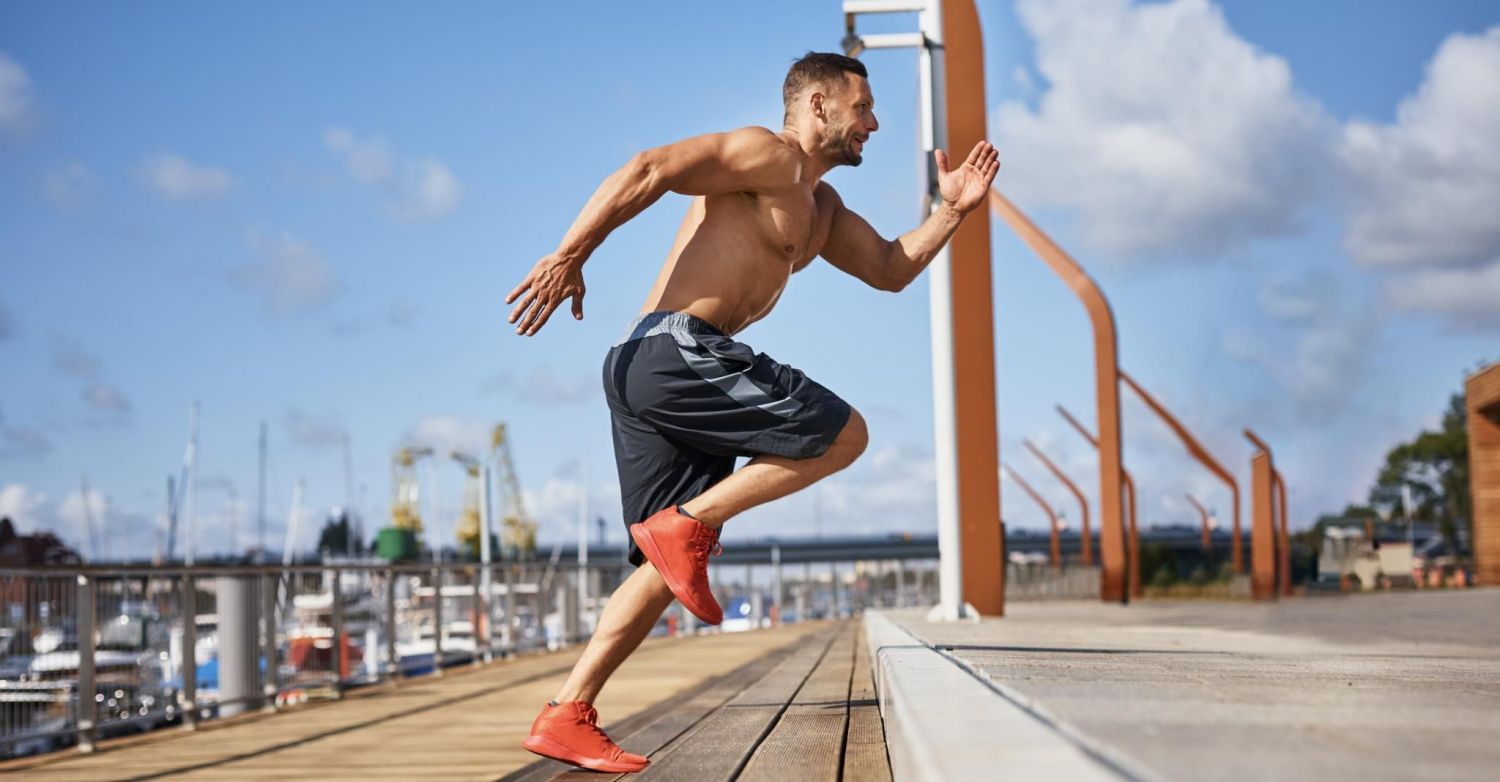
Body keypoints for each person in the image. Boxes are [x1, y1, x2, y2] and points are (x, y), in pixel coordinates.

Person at [505, 51, 998, 773]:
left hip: (659, 373)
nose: (875, 123)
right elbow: (650, 168)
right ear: (818, 105)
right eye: (862, 108)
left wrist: (952, 209)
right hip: (673, 353)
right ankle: (689, 527)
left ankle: (567, 712)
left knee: (660, 568)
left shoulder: (821, 211)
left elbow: (891, 269)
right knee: (844, 434)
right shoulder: (770, 157)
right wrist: (568, 254)